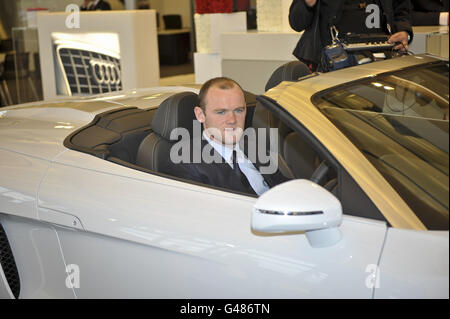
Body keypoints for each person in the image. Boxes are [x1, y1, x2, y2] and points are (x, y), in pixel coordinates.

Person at [161, 77, 289, 196]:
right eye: (221, 112)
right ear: (200, 115)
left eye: (239, 110)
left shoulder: (253, 146)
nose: (232, 120)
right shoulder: (184, 164)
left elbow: (286, 189)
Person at [289, 0, 414, 71]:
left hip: (378, 62)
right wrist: (307, 4)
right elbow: (296, 23)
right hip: (331, 64)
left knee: (370, 113)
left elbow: (402, 11)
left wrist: (404, 32)